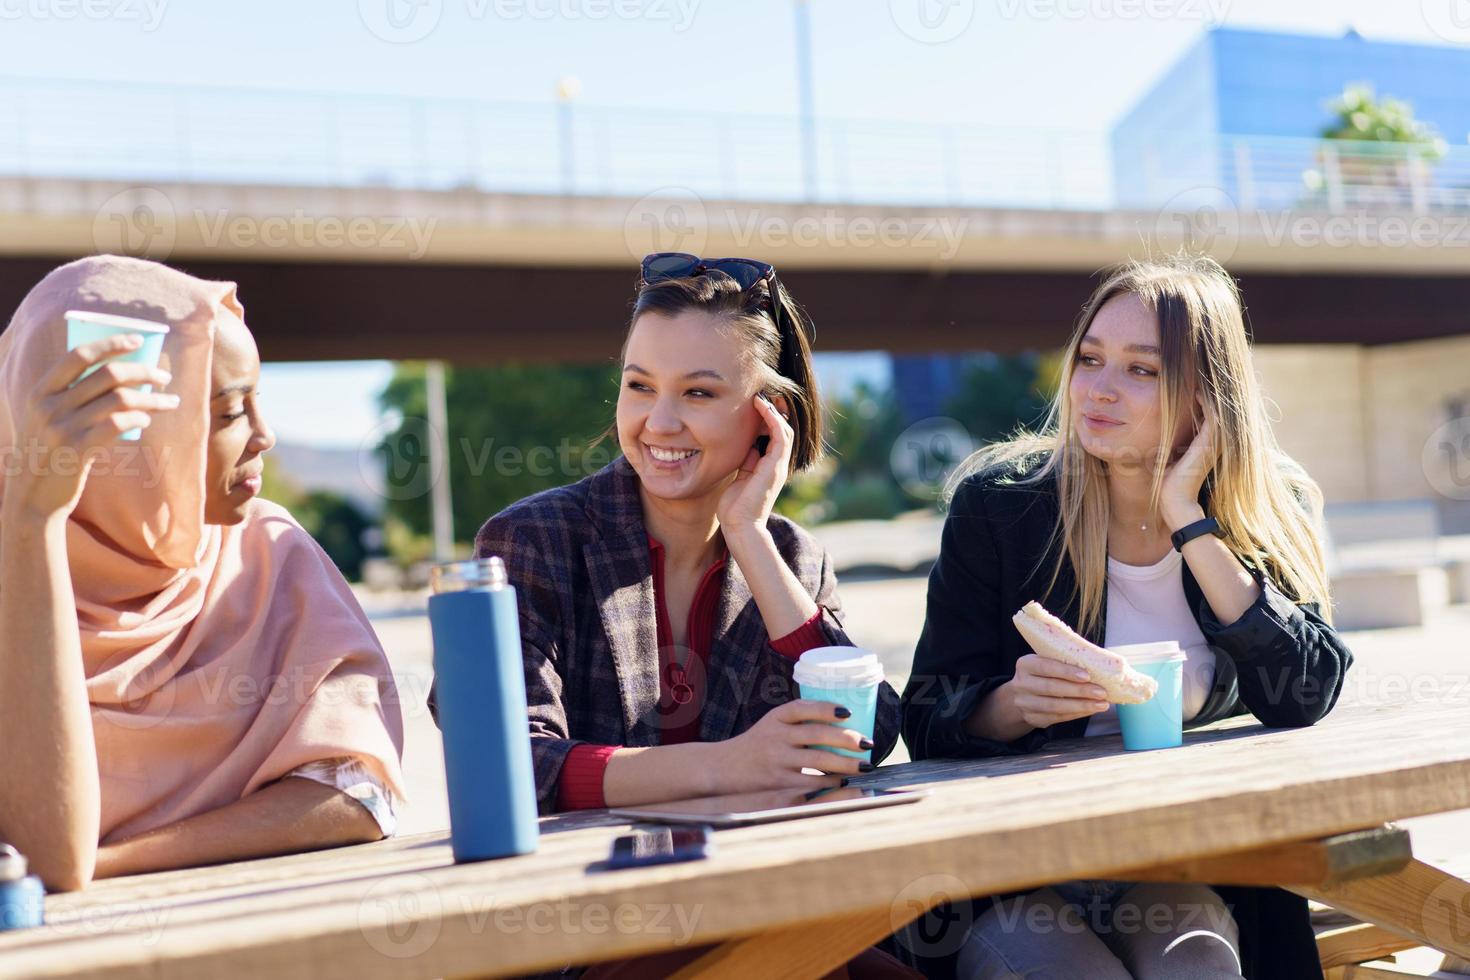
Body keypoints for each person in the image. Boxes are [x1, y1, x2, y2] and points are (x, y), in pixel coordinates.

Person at [900, 255, 1353, 980]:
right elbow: (922, 716)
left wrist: (1189, 519)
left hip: (1189, 860)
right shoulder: (1003, 505)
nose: (1099, 391)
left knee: (1199, 969)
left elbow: (1304, 693)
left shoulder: (1268, 510)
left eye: (1143, 370)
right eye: (1090, 359)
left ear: (1208, 396)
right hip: (1021, 869)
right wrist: (1010, 706)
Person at [437, 253, 901, 814]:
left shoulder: (794, 558)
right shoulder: (530, 542)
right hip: (586, 887)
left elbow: (866, 734)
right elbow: (503, 762)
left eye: (697, 393)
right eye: (639, 386)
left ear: (769, 415)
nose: (658, 422)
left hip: (758, 877)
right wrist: (725, 765)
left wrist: (748, 534)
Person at [0, 256, 405, 892]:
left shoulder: (271, 555)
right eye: (224, 413)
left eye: (256, 400)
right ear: (127, 439)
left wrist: (107, 864)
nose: (264, 436)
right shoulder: (15, 563)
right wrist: (32, 526)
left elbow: (360, 795)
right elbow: (46, 849)